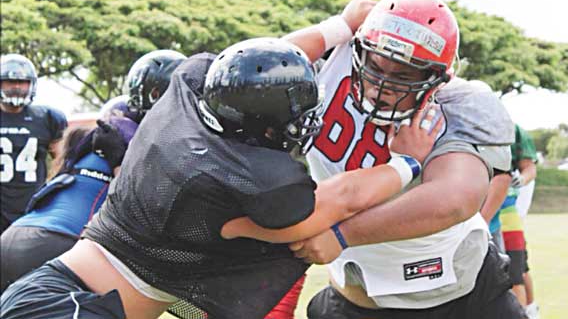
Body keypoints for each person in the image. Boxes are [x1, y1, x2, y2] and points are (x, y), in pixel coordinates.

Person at [1, 38, 438, 319]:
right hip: (72, 305)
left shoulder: (184, 105)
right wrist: (408, 163)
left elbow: (255, 58)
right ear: (268, 124)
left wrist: (339, 24)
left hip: (58, 286)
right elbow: (340, 200)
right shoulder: (243, 180)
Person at [260, 0, 524, 318]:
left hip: (461, 300)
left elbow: (455, 197)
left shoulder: (457, 104)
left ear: (437, 79)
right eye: (376, 65)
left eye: (403, 76)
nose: (381, 85)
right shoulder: (330, 68)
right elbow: (257, 71)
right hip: (355, 302)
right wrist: (338, 26)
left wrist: (343, 235)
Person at [0, 118, 136, 292]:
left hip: (13, 235)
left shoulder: (81, 149)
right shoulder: (124, 162)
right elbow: (130, 201)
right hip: (59, 240)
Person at [1, 54, 68, 233]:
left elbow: (61, 161)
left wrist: (50, 191)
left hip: (32, 205)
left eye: (22, 82)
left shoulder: (47, 118)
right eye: (10, 82)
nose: (16, 87)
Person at [498, 124, 539, 317]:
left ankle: (528, 310)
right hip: (476, 214)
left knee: (516, 274)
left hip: (507, 213)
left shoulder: (514, 130)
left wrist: (521, 179)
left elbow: (529, 168)